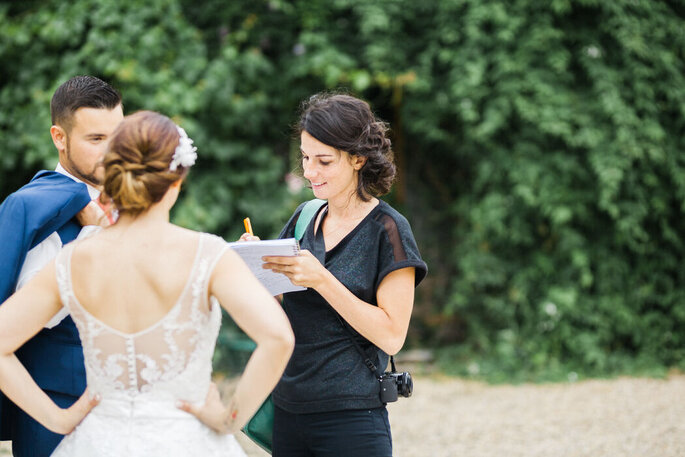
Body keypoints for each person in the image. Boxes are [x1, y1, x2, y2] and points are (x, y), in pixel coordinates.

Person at [0, 111, 295, 456]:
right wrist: (228, 419)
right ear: (177, 180)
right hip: (187, 440)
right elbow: (278, 338)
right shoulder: (207, 254)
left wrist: (58, 419)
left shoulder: (73, 260)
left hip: (97, 441)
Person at [247, 93, 427, 456]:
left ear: (358, 159)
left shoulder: (388, 229)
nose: (309, 171)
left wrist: (321, 279)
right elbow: (279, 311)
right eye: (305, 157)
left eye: (324, 161)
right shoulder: (303, 219)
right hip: (288, 408)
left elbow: (393, 337)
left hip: (353, 418)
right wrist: (253, 272)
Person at [0, 75, 123, 456]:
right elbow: (33, 316)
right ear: (59, 137)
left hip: (124, 411)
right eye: (95, 139)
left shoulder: (127, 201)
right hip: (55, 412)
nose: (111, 152)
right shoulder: (39, 208)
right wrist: (90, 238)